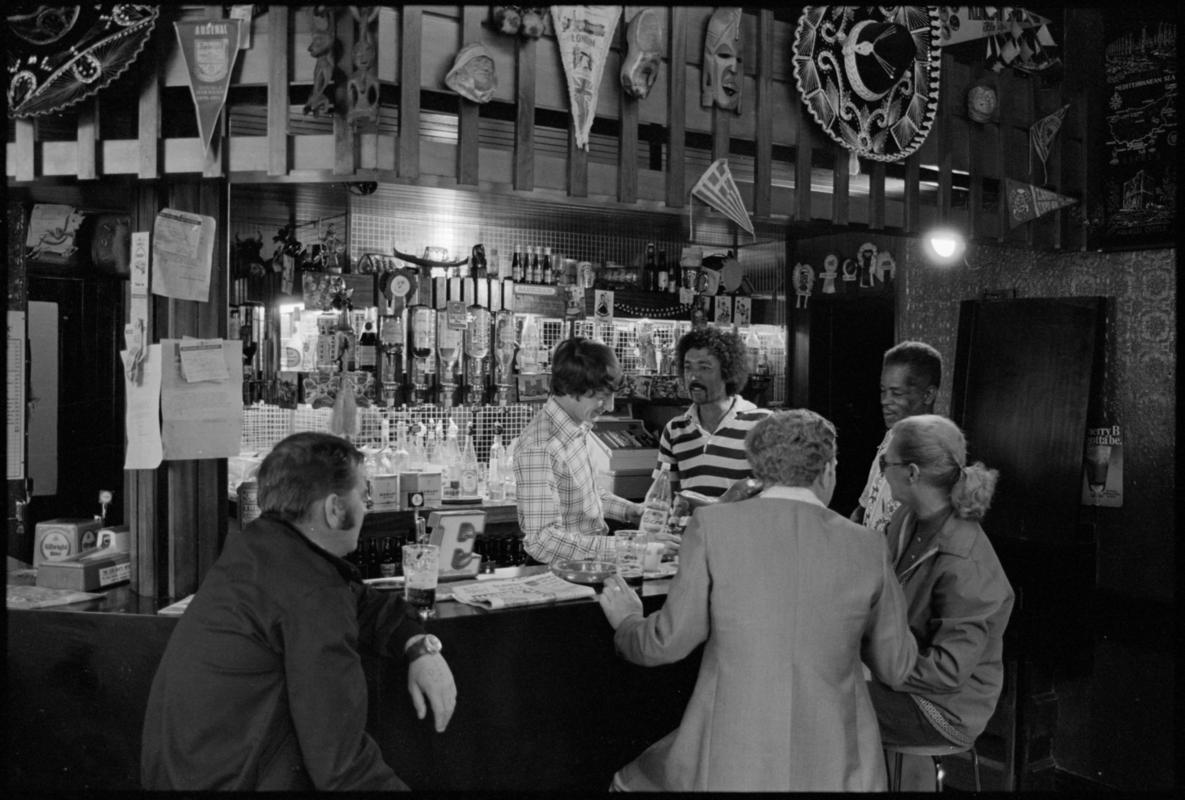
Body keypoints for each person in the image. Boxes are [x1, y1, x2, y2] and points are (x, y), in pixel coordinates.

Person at [599, 409, 918, 791]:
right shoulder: (868, 546)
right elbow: (896, 666)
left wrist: (628, 623)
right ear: (828, 470)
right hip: (839, 761)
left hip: (732, 755)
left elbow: (668, 642)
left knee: (629, 780)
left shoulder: (714, 527)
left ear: (759, 469)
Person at [141, 432, 457, 791]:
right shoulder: (311, 593)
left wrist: (418, 645)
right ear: (334, 509)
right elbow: (342, 768)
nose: (367, 507)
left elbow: (360, 600)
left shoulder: (260, 549)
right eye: (363, 495)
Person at [868, 414, 1014, 790]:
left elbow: (948, 672)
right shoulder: (908, 517)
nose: (882, 473)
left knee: (824, 703)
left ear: (912, 472)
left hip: (944, 708)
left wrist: (875, 664)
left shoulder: (963, 559)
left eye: (885, 462)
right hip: (905, 681)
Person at [513, 337, 650, 564]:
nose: (610, 406)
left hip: (586, 565)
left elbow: (583, 497)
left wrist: (631, 511)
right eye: (602, 396)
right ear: (572, 388)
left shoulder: (577, 427)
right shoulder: (540, 446)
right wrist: (629, 547)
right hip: (559, 572)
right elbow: (543, 541)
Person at [655, 326, 771, 506]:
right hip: (692, 525)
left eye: (704, 367)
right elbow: (663, 497)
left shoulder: (763, 424)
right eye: (688, 367)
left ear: (727, 372)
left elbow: (780, 492)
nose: (693, 376)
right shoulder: (674, 430)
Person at [852, 340, 942, 534]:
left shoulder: (937, 456)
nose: (885, 401)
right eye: (883, 391)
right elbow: (866, 503)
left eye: (897, 393)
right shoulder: (892, 435)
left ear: (928, 395)